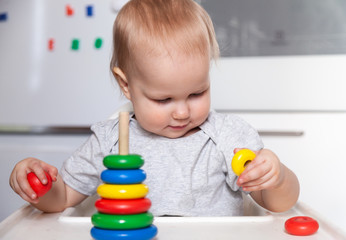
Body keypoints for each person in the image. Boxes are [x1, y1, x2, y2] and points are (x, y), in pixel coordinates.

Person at [9, 0, 299, 216]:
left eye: (197, 92)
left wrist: (278, 177)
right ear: (126, 86)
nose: (183, 112)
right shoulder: (109, 142)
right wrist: (39, 187)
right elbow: (61, 200)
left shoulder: (227, 137)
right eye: (164, 99)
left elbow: (279, 203)